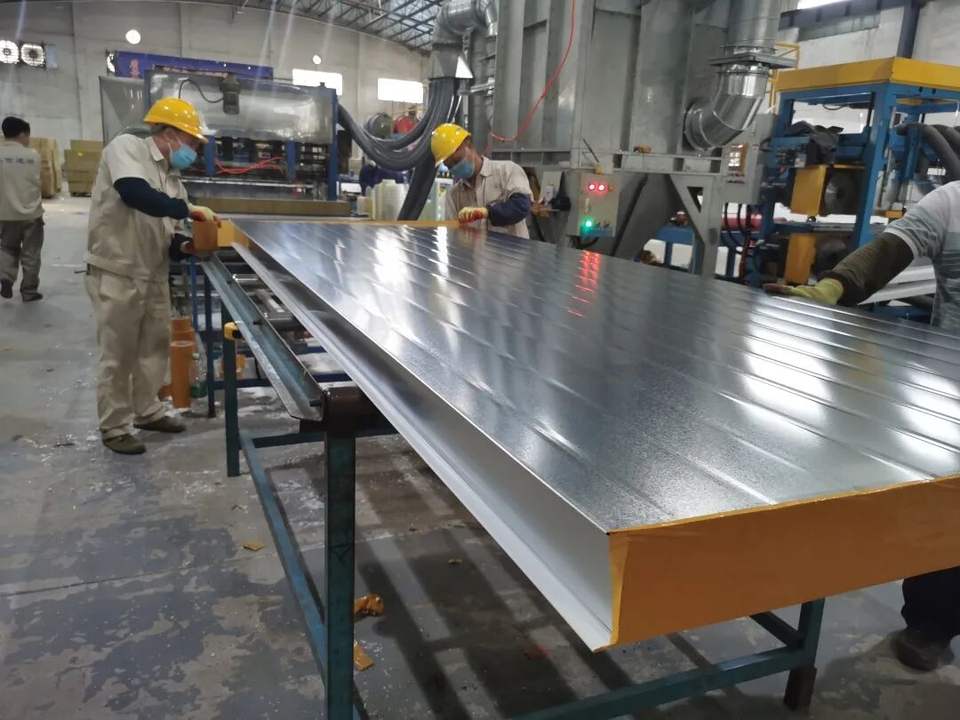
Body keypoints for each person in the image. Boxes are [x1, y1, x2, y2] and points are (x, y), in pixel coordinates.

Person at [765, 181, 960, 671]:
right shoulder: (952, 202)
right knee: (949, 512)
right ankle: (932, 624)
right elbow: (887, 252)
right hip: (953, 390)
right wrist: (830, 289)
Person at [85, 97, 219, 456]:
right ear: (170, 133)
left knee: (153, 349)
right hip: (118, 270)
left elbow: (169, 235)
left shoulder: (174, 181)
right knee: (118, 353)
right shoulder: (127, 149)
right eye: (191, 142)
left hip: (153, 273)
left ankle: (147, 411)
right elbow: (135, 194)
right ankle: (115, 426)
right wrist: (188, 209)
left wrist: (187, 246)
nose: (193, 151)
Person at [430, 123, 533, 238]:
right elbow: (453, 234)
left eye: (457, 160)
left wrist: (487, 212)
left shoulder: (508, 171)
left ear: (468, 143)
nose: (455, 167)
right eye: (450, 166)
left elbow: (521, 206)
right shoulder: (454, 195)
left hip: (512, 250)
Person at [0, 116, 44, 302]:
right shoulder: (33, 155)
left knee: (7, 248)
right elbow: (36, 182)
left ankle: (6, 277)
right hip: (31, 214)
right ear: (22, 134)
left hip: (5, 213)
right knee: (31, 253)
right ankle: (29, 291)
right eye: (28, 136)